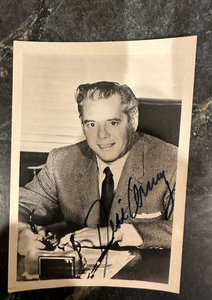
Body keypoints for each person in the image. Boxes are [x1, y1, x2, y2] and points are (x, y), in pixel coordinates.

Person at [18, 81, 177, 257]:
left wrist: (117, 233)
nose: (102, 135)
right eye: (91, 124)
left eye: (113, 122)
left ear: (133, 120)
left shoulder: (170, 160)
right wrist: (21, 232)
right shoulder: (62, 161)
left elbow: (187, 228)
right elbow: (19, 206)